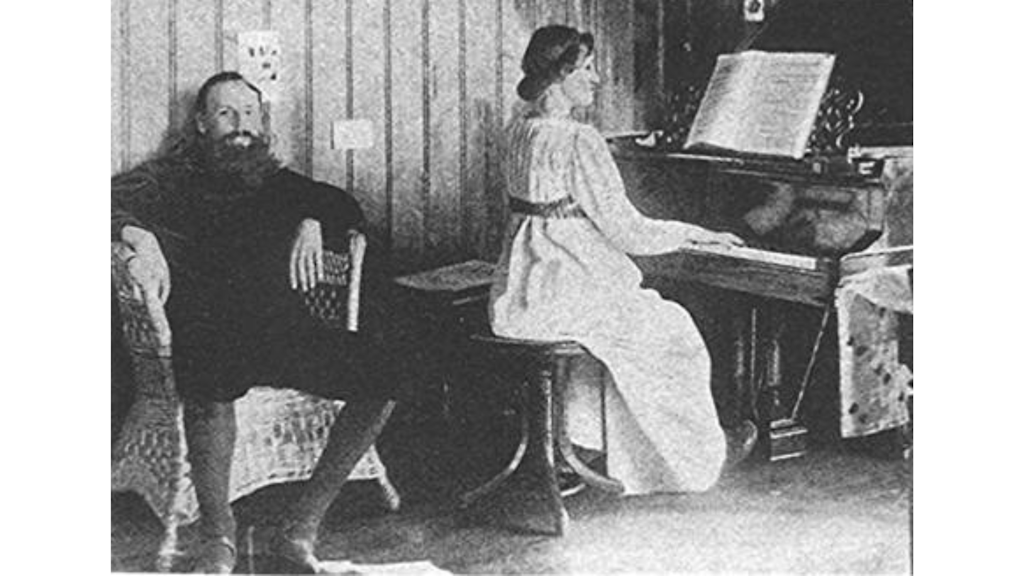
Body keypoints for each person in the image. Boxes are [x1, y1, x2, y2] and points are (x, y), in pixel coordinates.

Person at [111, 71, 419, 573]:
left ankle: (301, 527)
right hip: (207, 329)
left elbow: (345, 204)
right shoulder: (170, 177)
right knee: (211, 378)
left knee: (387, 370)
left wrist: (314, 220)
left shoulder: (277, 181)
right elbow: (109, 197)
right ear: (202, 124)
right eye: (226, 113)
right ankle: (218, 534)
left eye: (250, 114)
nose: (241, 125)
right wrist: (138, 237)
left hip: (280, 330)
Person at [489, 25, 758, 497]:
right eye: (587, 69)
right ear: (559, 75)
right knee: (673, 330)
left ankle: (584, 446)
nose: (596, 79)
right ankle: (693, 458)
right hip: (564, 290)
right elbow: (627, 231)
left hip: (521, 293)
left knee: (631, 330)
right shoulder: (578, 139)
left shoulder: (518, 131)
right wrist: (695, 232)